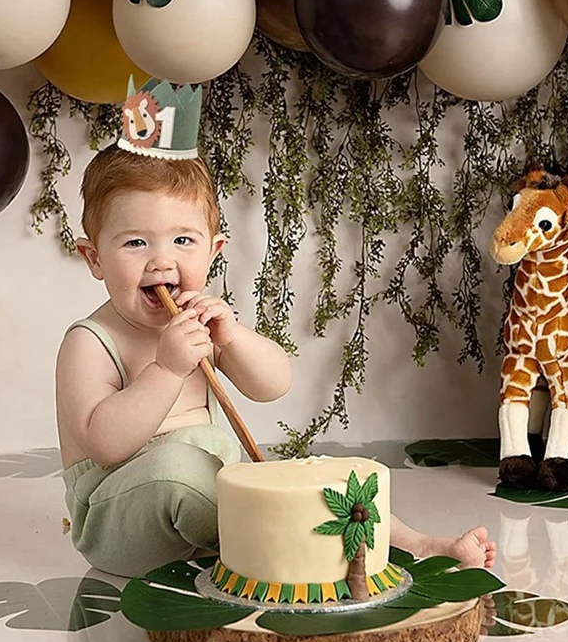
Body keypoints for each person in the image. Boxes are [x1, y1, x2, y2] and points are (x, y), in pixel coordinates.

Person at [56, 78, 495, 579]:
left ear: (213, 250)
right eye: (135, 243)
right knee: (181, 472)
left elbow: (273, 385)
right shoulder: (90, 342)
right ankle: (282, 547)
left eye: (182, 239)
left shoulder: (197, 323)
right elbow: (105, 444)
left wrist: (233, 337)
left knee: (310, 477)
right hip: (121, 516)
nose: (162, 260)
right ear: (94, 257)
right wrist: (165, 369)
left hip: (209, 498)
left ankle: (413, 543)